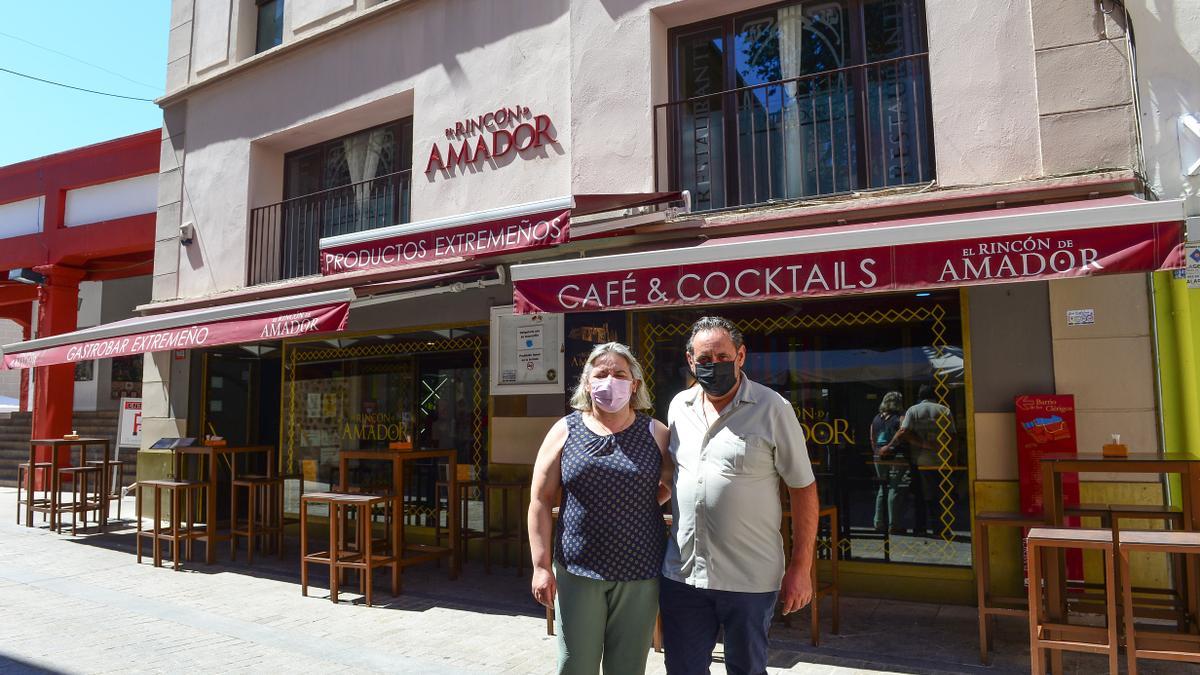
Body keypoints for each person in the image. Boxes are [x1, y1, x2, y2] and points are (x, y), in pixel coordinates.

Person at [660, 316, 819, 675]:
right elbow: (672, 478)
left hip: (749, 579)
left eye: (721, 357)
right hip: (684, 576)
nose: (713, 366)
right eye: (704, 359)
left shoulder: (773, 408)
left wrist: (800, 567)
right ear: (690, 360)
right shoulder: (678, 408)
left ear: (741, 355)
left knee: (747, 670)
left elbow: (803, 488)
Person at [528, 342, 673, 675]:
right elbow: (540, 499)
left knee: (628, 666)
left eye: (620, 373)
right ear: (587, 383)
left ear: (635, 383)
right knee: (576, 665)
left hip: (640, 570)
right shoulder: (565, 430)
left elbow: (676, 484)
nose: (611, 380)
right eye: (602, 374)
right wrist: (539, 566)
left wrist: (637, 504)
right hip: (578, 570)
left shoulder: (655, 433)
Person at [880, 383, 956, 537]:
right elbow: (953, 437)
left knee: (920, 496)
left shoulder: (913, 410)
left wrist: (890, 446)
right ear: (934, 395)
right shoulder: (945, 410)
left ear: (919, 397)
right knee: (940, 496)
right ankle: (940, 527)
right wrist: (952, 457)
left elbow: (903, 432)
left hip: (919, 460)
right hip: (942, 460)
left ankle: (920, 527)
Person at [870, 391, 907, 534]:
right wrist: (890, 446)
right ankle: (894, 524)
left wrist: (877, 451)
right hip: (895, 456)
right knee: (894, 488)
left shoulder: (876, 418)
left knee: (882, 488)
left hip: (878, 457)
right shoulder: (900, 417)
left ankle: (878, 522)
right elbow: (903, 431)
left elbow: (872, 436)